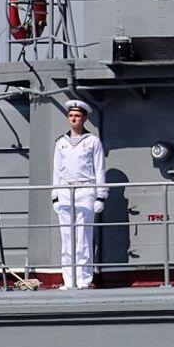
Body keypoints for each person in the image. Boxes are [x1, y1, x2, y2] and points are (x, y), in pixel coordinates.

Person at [51, 94, 106, 290]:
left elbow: (99, 169)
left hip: (85, 189)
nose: (74, 119)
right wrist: (55, 196)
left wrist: (100, 196)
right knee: (67, 237)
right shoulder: (61, 143)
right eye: (71, 116)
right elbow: (57, 171)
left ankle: (83, 279)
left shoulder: (92, 141)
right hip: (65, 190)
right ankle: (69, 279)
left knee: (83, 237)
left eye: (78, 116)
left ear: (84, 118)